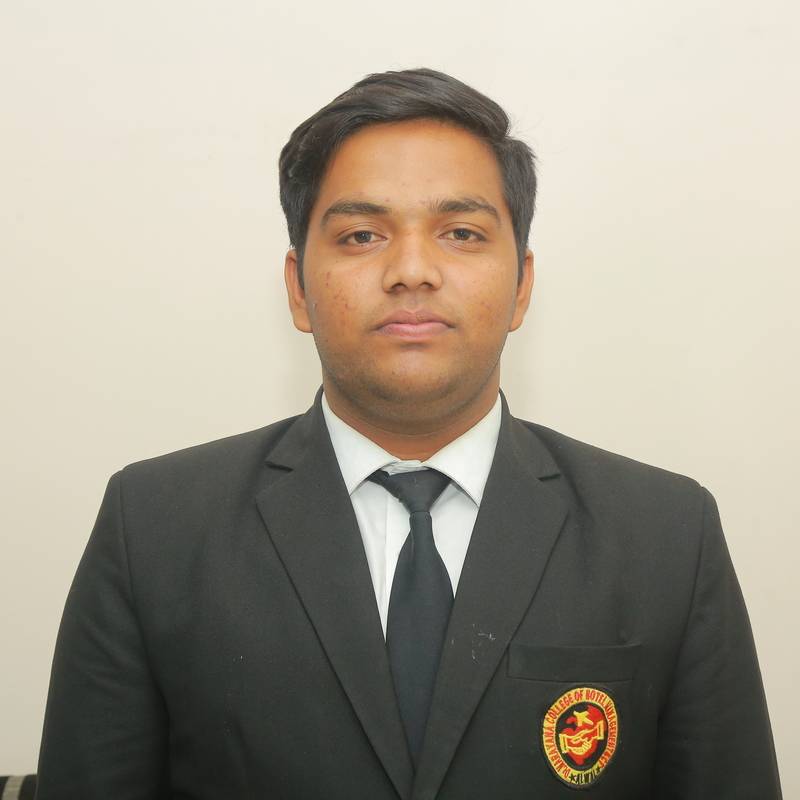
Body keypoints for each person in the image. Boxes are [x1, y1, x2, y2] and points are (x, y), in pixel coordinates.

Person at [36, 67, 782, 799]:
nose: (413, 270)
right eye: (362, 234)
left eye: (460, 232)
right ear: (298, 289)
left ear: (522, 285)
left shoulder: (664, 534)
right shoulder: (155, 526)